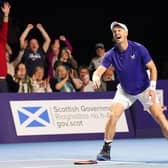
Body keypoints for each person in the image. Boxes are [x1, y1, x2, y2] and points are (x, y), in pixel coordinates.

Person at [92, 21, 168, 161]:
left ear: (126, 33)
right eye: (114, 32)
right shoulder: (110, 54)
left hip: (145, 89)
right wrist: (95, 76)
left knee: (162, 120)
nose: (117, 33)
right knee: (112, 115)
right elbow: (99, 71)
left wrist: (152, 88)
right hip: (125, 90)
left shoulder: (139, 49)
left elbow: (153, 68)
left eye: (119, 30)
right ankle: (106, 149)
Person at [0, 2, 11, 92]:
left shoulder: (1, 42)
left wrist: (6, 15)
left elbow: (5, 28)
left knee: (3, 105)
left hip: (1, 80)